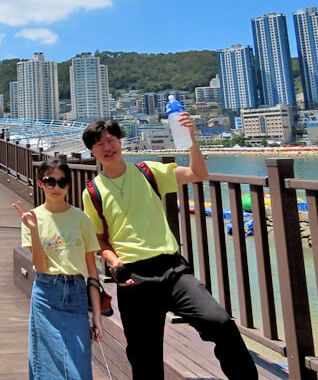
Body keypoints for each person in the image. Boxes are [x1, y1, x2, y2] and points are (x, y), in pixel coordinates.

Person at [82, 117, 258, 380]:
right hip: (133, 276)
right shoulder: (93, 191)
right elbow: (100, 240)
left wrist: (191, 139)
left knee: (219, 322)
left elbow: (198, 173)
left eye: (110, 140)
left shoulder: (148, 171)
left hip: (172, 269)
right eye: (99, 144)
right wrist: (112, 260)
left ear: (120, 141)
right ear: (92, 152)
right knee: (144, 357)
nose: (107, 147)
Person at [13, 157, 103, 380]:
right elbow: (40, 266)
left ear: (69, 186)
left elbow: (92, 269)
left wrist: (98, 318)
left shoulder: (82, 219)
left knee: (80, 367)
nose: (56, 187)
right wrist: (33, 230)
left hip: (77, 292)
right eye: (50, 181)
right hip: (46, 293)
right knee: (46, 367)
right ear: (40, 183)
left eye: (62, 182)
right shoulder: (32, 217)